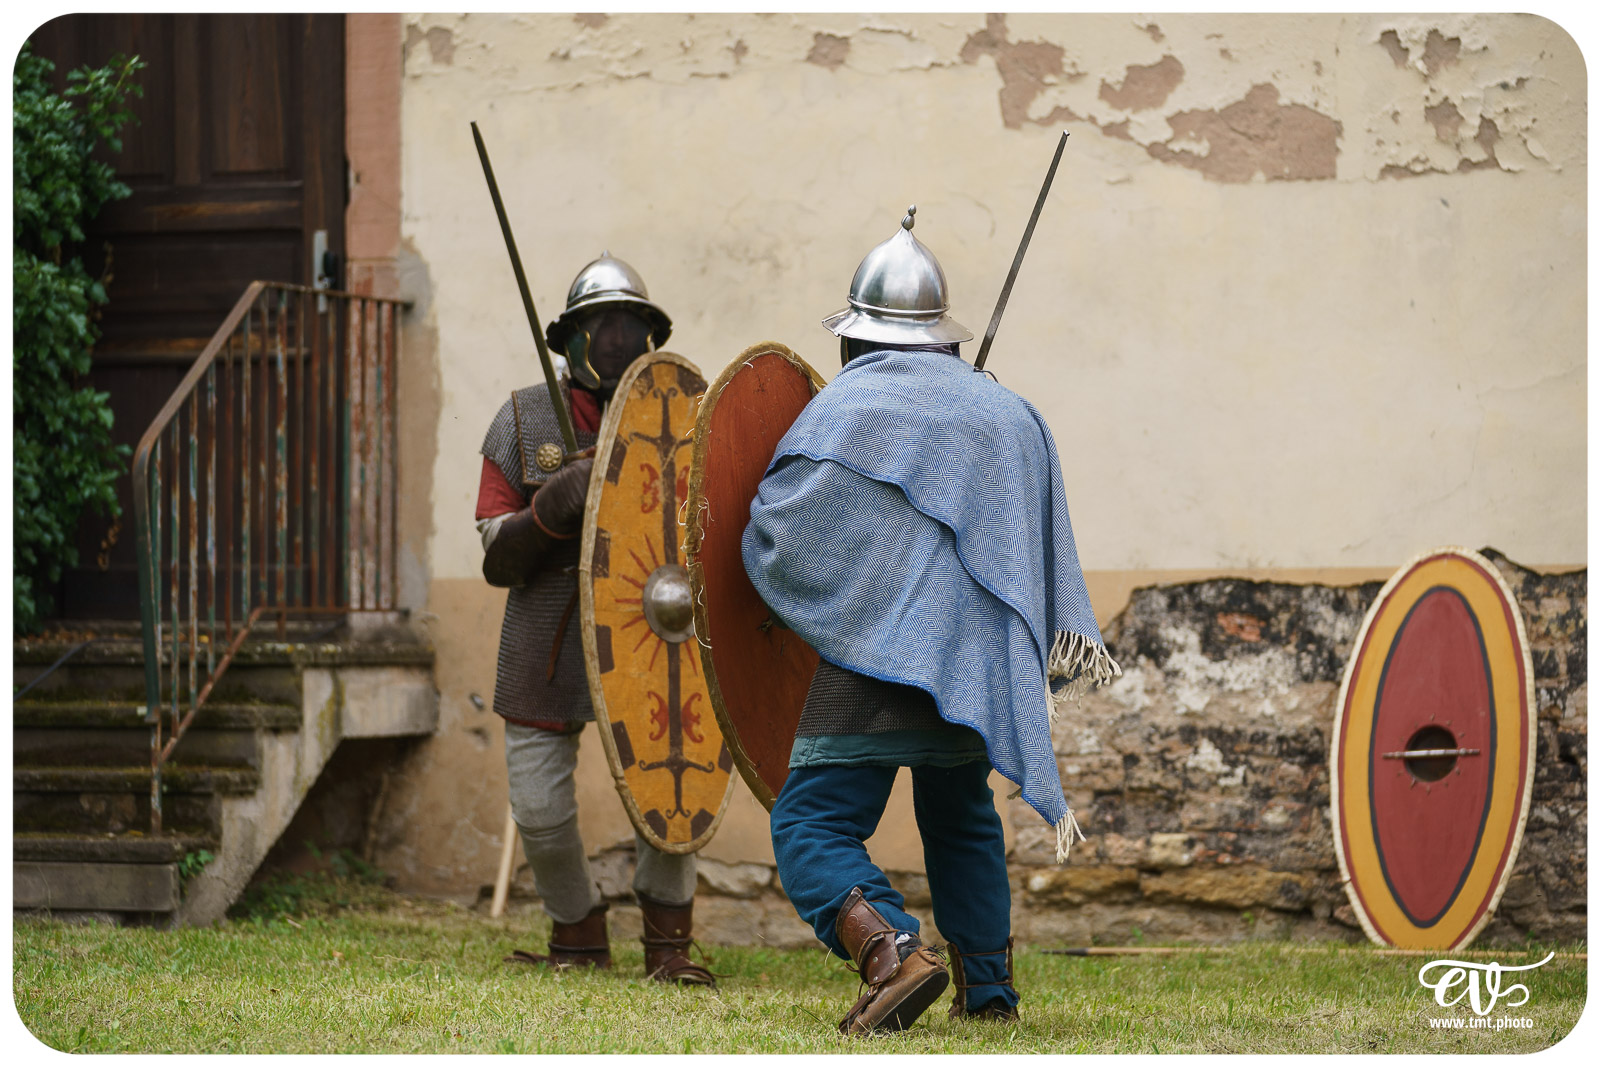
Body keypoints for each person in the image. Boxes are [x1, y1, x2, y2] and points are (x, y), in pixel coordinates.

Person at [742, 207, 1120, 1034]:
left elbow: (778, 527)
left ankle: (892, 952)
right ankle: (988, 990)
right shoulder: (1008, 415)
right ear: (941, 337)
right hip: (971, 665)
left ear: (859, 336)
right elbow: (1028, 541)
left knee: (810, 820)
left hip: (870, 665)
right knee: (961, 813)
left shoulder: (843, 411)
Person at [476, 254, 713, 986]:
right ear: (571, 334)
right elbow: (493, 554)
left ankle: (668, 941)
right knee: (540, 809)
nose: (615, 336)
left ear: (650, 335)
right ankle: (576, 928)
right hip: (547, 642)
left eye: (629, 322)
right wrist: (553, 504)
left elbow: (716, 520)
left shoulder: (681, 420)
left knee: (674, 790)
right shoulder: (523, 419)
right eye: (600, 322)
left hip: (658, 640)